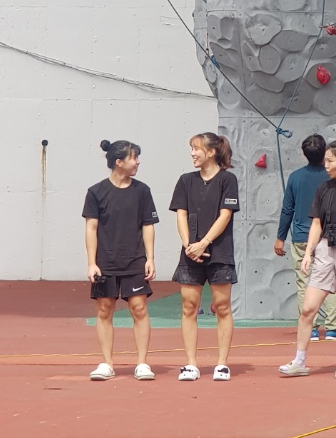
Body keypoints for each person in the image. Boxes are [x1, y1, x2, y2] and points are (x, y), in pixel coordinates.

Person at [280, 136, 336, 380]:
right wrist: (309, 253)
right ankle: (299, 361)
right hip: (324, 248)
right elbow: (316, 224)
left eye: (331, 161)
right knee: (308, 309)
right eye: (326, 160)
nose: (326, 165)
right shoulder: (323, 189)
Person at [83, 139, 159, 381]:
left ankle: (142, 363)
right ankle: (107, 364)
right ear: (119, 162)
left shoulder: (142, 191)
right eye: (133, 158)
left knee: (139, 308)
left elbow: (148, 225)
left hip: (135, 261)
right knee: (105, 310)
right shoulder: (96, 192)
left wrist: (150, 258)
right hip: (105, 263)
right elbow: (91, 228)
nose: (137, 162)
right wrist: (92, 263)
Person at [170, 132, 240, 382]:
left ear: (211, 152)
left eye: (197, 148)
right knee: (189, 306)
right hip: (191, 253)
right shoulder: (185, 180)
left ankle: (222, 364)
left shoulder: (228, 180)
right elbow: (180, 214)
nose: (192, 153)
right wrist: (189, 245)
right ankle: (191, 364)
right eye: (191, 148)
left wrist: (204, 243)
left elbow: (225, 215)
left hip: (219, 252)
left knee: (222, 306)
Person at [274, 134, 336, 342]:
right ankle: (333, 328)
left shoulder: (295, 177)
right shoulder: (333, 177)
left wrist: (280, 237)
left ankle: (310, 326)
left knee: (304, 282)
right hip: (329, 236)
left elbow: (287, 209)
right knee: (331, 281)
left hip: (302, 237)